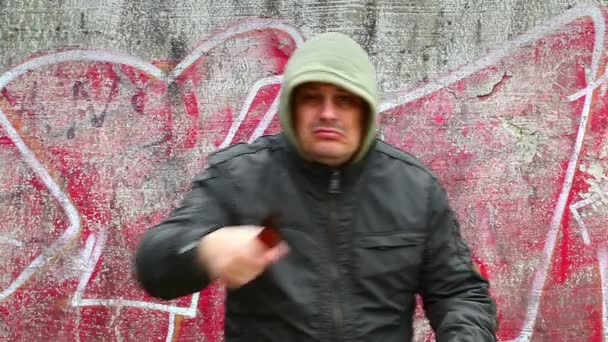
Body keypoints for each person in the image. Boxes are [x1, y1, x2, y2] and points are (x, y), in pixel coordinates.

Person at [134, 32, 498, 341]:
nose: (327, 112)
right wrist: (205, 250)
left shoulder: (414, 188)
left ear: (366, 110)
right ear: (292, 107)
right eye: (312, 98)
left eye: (344, 100)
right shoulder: (239, 177)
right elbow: (154, 266)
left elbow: (459, 291)